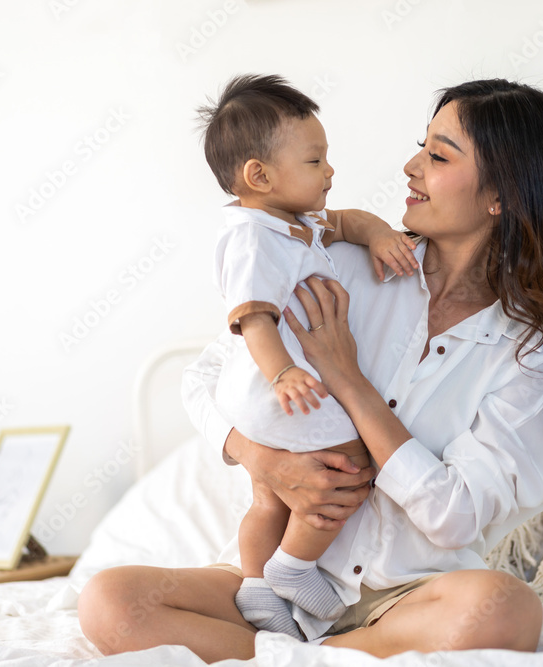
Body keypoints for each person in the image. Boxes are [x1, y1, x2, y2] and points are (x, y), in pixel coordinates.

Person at [78, 78, 543, 662]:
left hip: (407, 596)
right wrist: (265, 461)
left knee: (506, 610)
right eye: (419, 146)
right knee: (109, 602)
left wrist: (346, 377)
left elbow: (454, 517)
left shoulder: (525, 350)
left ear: (500, 195)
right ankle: (319, 651)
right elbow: (201, 381)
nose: (410, 167)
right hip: (276, 589)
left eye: (437, 155)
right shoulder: (338, 266)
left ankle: (298, 653)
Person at [196, 74, 420, 638]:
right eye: (316, 160)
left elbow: (345, 220)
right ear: (259, 175)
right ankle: (293, 566)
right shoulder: (250, 237)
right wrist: (286, 371)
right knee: (352, 462)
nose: (330, 172)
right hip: (273, 389)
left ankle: (255, 588)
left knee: (268, 498)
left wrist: (376, 233)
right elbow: (253, 317)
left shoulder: (292, 222)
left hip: (265, 397)